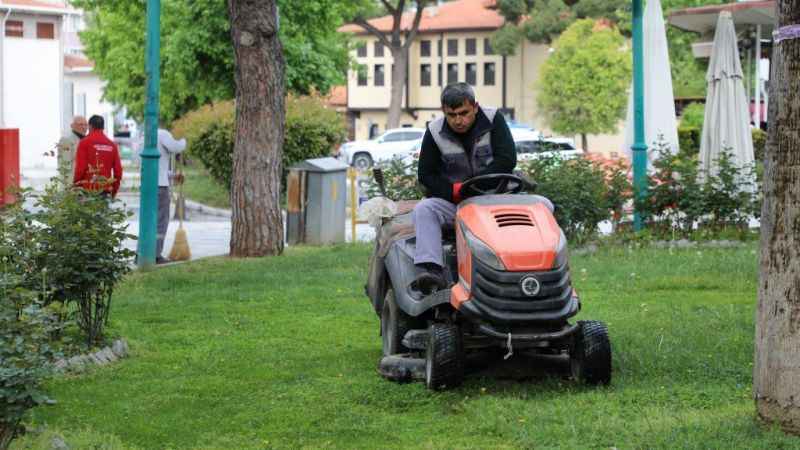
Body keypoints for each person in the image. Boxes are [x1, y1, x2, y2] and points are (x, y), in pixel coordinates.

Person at [412, 83, 517, 292]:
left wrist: (477, 184)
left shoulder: (493, 119)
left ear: (475, 107)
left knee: (544, 206)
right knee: (424, 210)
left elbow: (507, 159)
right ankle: (432, 272)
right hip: (457, 204)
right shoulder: (434, 132)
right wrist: (452, 191)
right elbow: (426, 174)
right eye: (452, 115)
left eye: (463, 113)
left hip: (496, 202)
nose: (458, 120)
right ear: (444, 112)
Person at [155, 128, 187, 264]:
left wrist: (173, 175)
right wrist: (184, 140)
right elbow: (176, 147)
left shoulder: (144, 136)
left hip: (147, 184)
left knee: (148, 221)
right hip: (160, 186)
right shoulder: (162, 134)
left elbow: (157, 167)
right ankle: (156, 254)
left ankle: (141, 252)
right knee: (161, 221)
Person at [73, 115, 123, 198]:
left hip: (87, 190)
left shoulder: (84, 143)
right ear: (103, 127)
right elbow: (118, 172)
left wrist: (75, 185)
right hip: (104, 190)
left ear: (90, 126)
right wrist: (114, 191)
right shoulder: (112, 145)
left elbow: (80, 168)